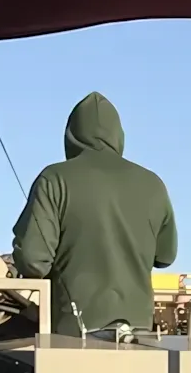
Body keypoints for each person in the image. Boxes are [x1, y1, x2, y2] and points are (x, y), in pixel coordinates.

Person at [11, 92, 178, 338]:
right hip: (139, 334)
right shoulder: (153, 184)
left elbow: (33, 261)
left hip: (73, 332)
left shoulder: (55, 178)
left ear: (70, 136)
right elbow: (166, 256)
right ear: (118, 136)